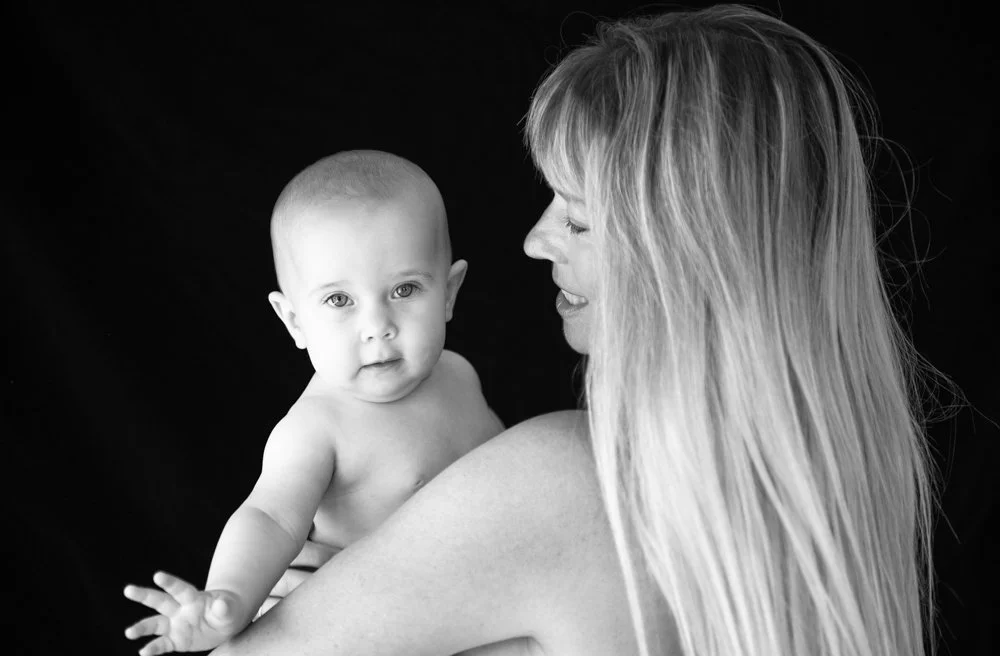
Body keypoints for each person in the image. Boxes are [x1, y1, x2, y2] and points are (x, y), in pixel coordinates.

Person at [204, 5, 937, 655]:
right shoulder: (856, 495)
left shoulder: (561, 483)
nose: (533, 240)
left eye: (578, 218)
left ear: (695, 250)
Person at [122, 149, 505, 655]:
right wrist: (228, 600)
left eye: (405, 289)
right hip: (348, 619)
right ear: (294, 321)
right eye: (339, 300)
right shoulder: (317, 428)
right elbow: (271, 517)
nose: (377, 326)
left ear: (450, 293)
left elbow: (505, 472)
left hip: (456, 603)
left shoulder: (459, 375)